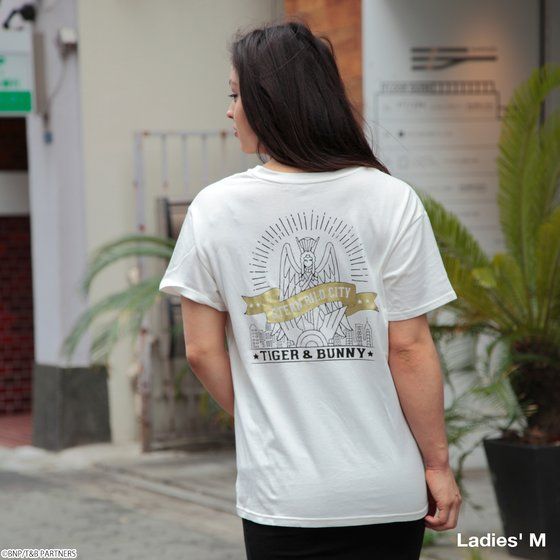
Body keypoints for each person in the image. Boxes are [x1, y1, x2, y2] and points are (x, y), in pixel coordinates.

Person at [159, 17, 462, 560]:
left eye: (235, 96)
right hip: (387, 491)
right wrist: (437, 465)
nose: (229, 111)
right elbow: (409, 348)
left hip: (284, 495)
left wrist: (265, 417)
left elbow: (201, 351)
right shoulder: (390, 198)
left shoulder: (214, 209)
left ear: (269, 101)